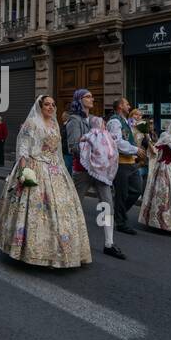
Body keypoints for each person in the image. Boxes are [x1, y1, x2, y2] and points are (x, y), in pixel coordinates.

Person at [0, 95, 91, 268]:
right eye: (47, 104)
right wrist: (24, 172)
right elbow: (23, 149)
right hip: (35, 166)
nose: (51, 107)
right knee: (35, 212)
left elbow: (58, 151)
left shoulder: (54, 125)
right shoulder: (32, 123)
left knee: (62, 211)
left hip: (55, 169)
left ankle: (59, 252)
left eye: (53, 104)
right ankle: (31, 251)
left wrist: (62, 169)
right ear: (40, 106)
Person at [64, 88, 125, 259]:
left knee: (106, 204)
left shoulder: (95, 119)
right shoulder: (74, 121)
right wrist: (94, 148)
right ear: (79, 99)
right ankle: (67, 238)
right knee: (75, 204)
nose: (92, 99)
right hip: (83, 170)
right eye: (88, 96)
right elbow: (73, 147)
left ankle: (109, 243)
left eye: (92, 96)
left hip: (101, 171)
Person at [106, 99, 143, 235]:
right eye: (127, 104)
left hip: (130, 162)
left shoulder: (125, 121)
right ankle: (121, 222)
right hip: (120, 162)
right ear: (121, 106)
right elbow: (116, 142)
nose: (129, 106)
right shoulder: (115, 121)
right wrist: (135, 149)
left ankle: (117, 213)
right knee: (122, 193)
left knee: (137, 190)